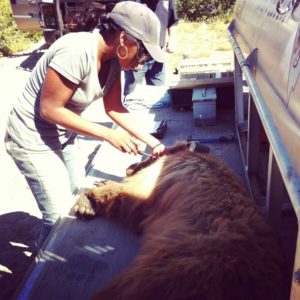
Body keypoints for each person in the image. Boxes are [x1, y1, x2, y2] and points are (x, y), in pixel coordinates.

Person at [4, 1, 166, 249]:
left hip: (62, 133)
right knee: (57, 215)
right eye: (143, 52)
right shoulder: (77, 50)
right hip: (31, 137)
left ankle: (57, 249)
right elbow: (49, 109)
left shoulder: (113, 61)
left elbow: (114, 108)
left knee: (79, 196)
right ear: (124, 39)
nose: (142, 62)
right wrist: (108, 135)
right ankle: (43, 262)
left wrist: (152, 142)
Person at [123, 0, 179, 97]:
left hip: (158, 56)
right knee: (133, 99)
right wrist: (129, 56)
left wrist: (172, 39)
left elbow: (173, 21)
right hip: (135, 57)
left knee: (159, 98)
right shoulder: (130, 2)